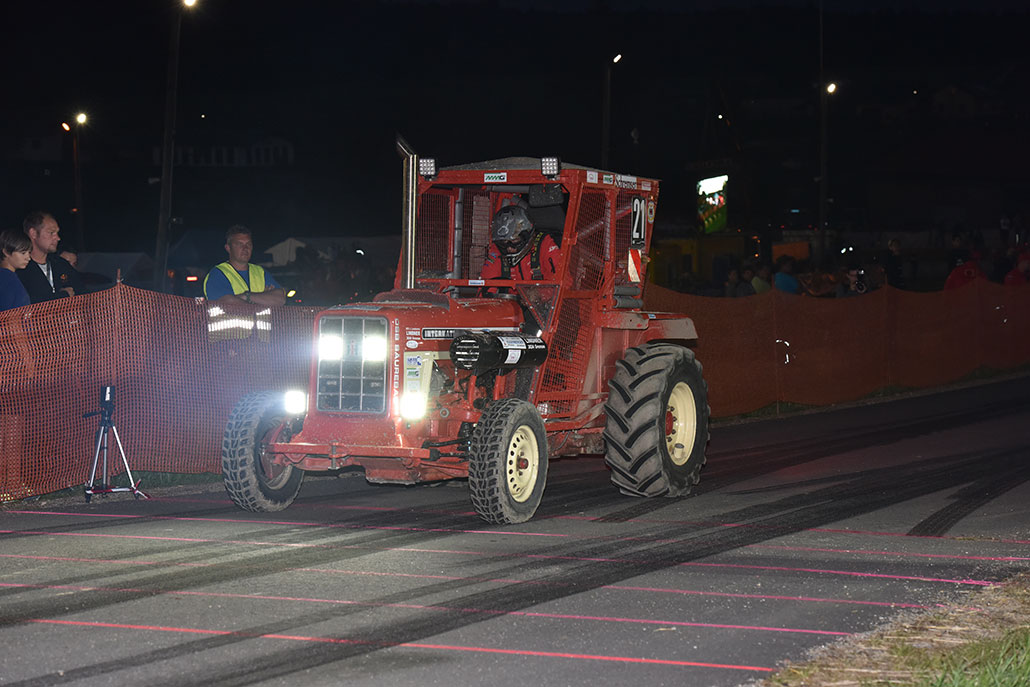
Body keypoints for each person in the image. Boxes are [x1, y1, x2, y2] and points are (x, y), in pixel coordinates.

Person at [203, 225, 286, 305]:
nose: (245, 248)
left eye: (248, 244)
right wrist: (263, 299)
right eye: (239, 244)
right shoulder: (218, 274)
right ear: (228, 248)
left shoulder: (260, 272)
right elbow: (228, 304)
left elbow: (280, 298)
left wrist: (246, 296)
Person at [481, 205, 561, 281]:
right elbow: (487, 281)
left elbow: (562, 280)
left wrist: (540, 290)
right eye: (504, 241)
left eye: (514, 240)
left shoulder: (545, 245)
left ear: (527, 236)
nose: (509, 248)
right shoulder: (497, 250)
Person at [17, 211, 83, 302]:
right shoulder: (19, 269)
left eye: (57, 233)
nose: (58, 238)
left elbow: (82, 293)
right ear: (33, 233)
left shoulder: (61, 264)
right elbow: (23, 302)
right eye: (51, 232)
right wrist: (62, 296)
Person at [0, 230, 32, 311]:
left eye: (29, 252)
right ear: (6, 252)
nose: (28, 258)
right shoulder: (7, 278)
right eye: (23, 253)